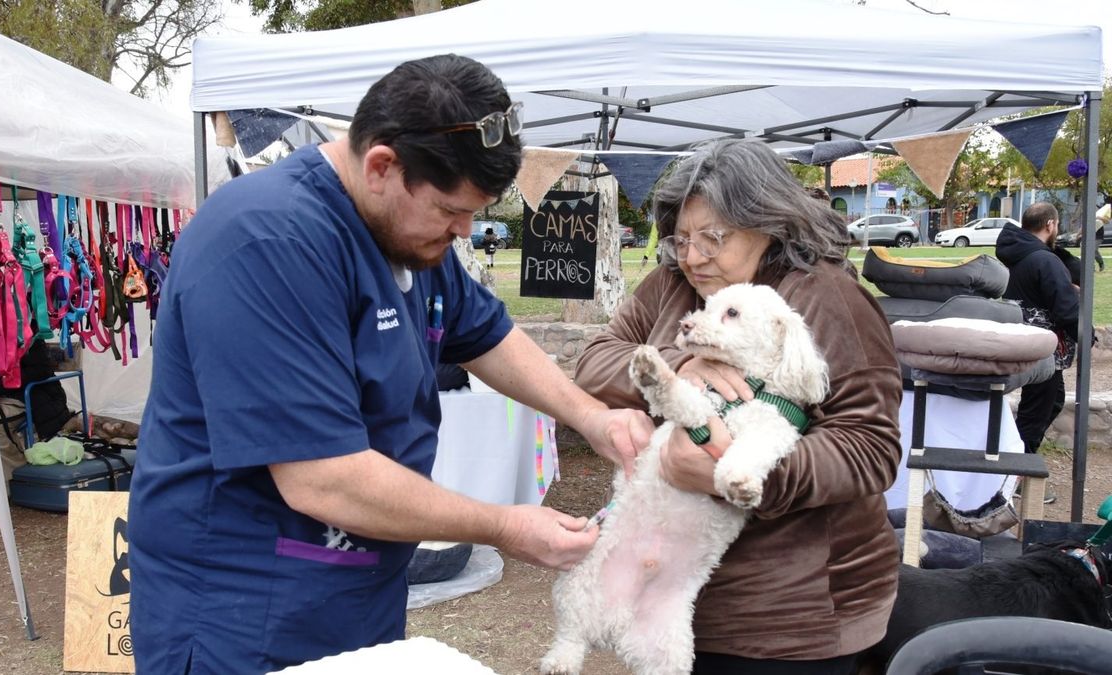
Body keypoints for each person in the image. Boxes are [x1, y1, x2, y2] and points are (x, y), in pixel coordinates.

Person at [127, 54, 653, 674]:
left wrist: (594, 419)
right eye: (452, 211)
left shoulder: (407, 234)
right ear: (382, 165)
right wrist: (504, 526)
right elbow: (323, 476)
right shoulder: (267, 240)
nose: (465, 232)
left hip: (355, 588)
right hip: (243, 608)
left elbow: (485, 332)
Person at [574, 139, 904, 674]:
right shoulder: (672, 285)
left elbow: (869, 447)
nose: (693, 256)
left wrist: (730, 471)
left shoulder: (826, 297)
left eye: (714, 238)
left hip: (790, 613)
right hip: (680, 591)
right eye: (682, 238)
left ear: (769, 222)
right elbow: (596, 360)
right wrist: (675, 366)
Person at [996, 203, 1079, 468]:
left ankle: (1015, 459)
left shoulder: (1014, 255)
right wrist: (1084, 335)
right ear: (1050, 225)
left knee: (1051, 400)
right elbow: (1066, 308)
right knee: (1037, 410)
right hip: (1043, 347)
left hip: (1019, 336)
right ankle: (1015, 471)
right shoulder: (1044, 260)